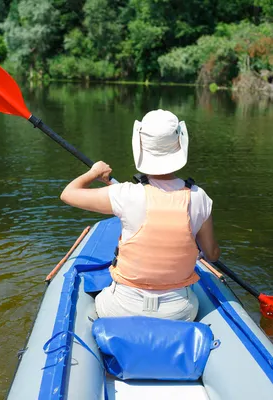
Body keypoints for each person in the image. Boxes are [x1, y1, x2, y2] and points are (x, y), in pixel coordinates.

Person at [60, 109, 220, 321]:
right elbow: (212, 255)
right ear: (180, 145)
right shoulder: (199, 197)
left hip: (122, 308)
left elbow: (68, 194)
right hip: (179, 312)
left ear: (141, 146)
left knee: (94, 307)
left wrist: (94, 173)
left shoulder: (125, 194)